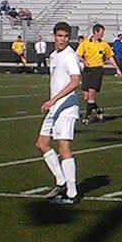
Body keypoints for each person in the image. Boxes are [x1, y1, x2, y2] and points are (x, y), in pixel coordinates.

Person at [35, 21, 82, 205]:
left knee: (64, 148)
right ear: (54, 36)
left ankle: (72, 193)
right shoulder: (54, 55)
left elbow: (75, 81)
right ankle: (61, 181)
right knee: (42, 143)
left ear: (68, 38)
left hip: (67, 108)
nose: (62, 39)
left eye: (65, 36)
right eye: (59, 36)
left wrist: (54, 99)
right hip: (55, 108)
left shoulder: (70, 56)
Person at [76, 23, 122, 125]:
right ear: (95, 32)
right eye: (101, 32)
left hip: (97, 70)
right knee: (86, 97)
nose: (102, 34)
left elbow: (110, 57)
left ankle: (87, 118)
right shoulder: (85, 43)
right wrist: (84, 61)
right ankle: (98, 110)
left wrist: (117, 68)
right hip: (87, 70)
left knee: (91, 94)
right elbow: (78, 55)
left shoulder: (104, 44)